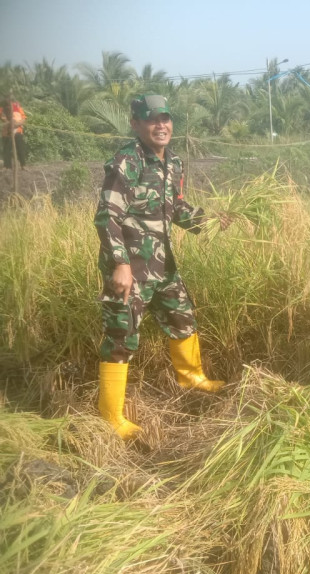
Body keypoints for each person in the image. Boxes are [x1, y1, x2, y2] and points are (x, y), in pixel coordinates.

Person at [94, 93, 229, 440]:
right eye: (152, 119)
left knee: (183, 317)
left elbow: (177, 208)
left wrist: (211, 221)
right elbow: (107, 215)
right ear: (136, 124)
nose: (161, 125)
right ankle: (110, 416)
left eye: (165, 118)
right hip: (131, 268)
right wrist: (120, 265)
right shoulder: (127, 160)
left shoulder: (174, 163)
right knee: (121, 335)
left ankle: (191, 377)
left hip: (162, 263)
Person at [1, 95, 27, 169]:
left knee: (20, 148)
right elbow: (3, 119)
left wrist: (17, 124)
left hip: (18, 130)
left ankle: (23, 165)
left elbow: (24, 118)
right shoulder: (2, 108)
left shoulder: (18, 107)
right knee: (7, 149)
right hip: (7, 132)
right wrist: (10, 124)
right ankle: (7, 166)